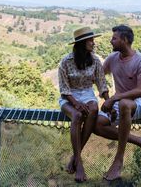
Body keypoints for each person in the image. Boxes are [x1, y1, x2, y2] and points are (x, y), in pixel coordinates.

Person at [94, 25, 141, 181]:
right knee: (97, 123)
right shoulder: (112, 59)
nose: (111, 41)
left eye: (114, 38)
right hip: (119, 103)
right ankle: (140, 140)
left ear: (125, 40)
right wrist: (107, 99)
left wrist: (114, 98)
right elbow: (99, 77)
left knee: (125, 104)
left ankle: (118, 160)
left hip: (140, 103)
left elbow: (140, 90)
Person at [58, 26, 108, 183]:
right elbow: (64, 89)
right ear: (82, 43)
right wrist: (76, 103)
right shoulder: (65, 62)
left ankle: (75, 157)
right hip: (69, 97)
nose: (93, 43)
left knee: (93, 108)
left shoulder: (95, 61)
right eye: (90, 40)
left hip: (87, 94)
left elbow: (102, 84)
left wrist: (109, 101)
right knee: (77, 115)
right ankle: (79, 164)